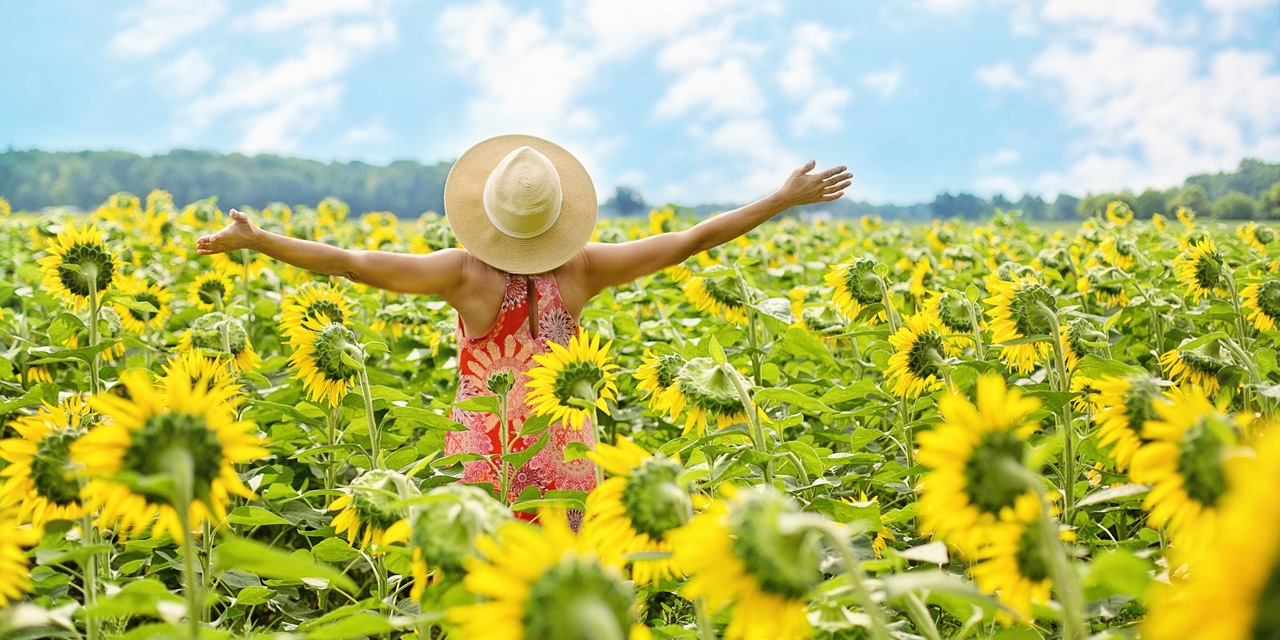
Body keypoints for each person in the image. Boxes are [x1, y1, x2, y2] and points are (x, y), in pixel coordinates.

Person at [196, 134, 849, 526]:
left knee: (491, 590)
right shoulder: (584, 269)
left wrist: (259, 241)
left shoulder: (464, 277)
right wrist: (780, 199)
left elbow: (351, 263)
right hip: (568, 458)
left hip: (490, 458)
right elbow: (686, 242)